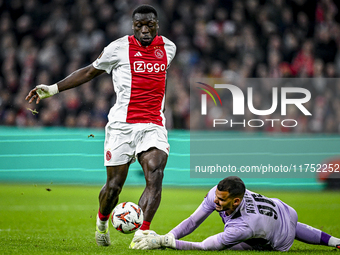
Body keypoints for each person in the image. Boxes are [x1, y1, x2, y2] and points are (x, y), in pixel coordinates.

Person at [25, 4, 176, 247]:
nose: (145, 30)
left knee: (156, 173)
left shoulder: (169, 48)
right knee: (114, 188)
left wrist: (160, 111)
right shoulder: (117, 48)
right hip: (121, 127)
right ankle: (102, 220)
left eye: (150, 25)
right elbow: (88, 73)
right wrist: (53, 89)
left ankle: (143, 233)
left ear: (157, 25)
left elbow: (161, 82)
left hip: (152, 125)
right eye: (140, 26)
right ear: (133, 26)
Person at [132, 176, 340, 251]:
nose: (216, 201)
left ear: (237, 200)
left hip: (279, 237)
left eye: (222, 200)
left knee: (236, 246)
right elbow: (194, 220)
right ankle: (335, 241)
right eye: (217, 197)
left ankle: (333, 241)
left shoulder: (244, 226)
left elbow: (206, 246)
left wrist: (165, 243)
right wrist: (169, 235)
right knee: (288, 224)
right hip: (280, 209)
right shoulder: (218, 193)